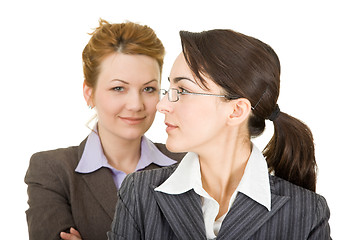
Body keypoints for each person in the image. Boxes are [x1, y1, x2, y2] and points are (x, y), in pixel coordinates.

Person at [107, 29, 331, 239]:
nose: (162, 105)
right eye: (169, 90)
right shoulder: (139, 193)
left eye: (183, 90)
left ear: (236, 111)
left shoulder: (308, 213)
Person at [24, 19, 185, 240]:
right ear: (89, 93)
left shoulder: (188, 164)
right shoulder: (53, 171)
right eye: (118, 88)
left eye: (148, 88)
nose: (136, 104)